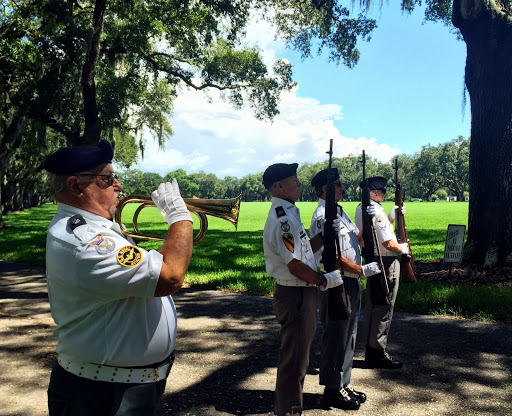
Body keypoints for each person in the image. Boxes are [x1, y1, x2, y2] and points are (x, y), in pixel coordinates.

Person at [43, 140, 194, 415]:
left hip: (118, 385)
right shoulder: (87, 240)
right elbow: (170, 276)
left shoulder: (95, 229)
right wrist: (180, 218)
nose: (118, 186)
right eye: (108, 178)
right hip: (101, 393)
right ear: (75, 185)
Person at [262, 163, 343, 416]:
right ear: (279, 186)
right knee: (295, 361)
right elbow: (295, 265)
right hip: (296, 293)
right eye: (294, 180)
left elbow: (304, 250)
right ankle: (288, 412)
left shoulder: (290, 212)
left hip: (300, 291)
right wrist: (323, 280)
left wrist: (327, 233)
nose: (299, 184)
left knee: (300, 358)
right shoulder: (283, 218)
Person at [309, 168, 381, 410]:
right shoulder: (322, 215)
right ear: (325, 190)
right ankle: (331, 389)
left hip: (350, 281)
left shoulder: (340, 212)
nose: (342, 188)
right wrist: (360, 270)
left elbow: (357, 241)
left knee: (349, 334)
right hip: (336, 282)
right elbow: (332, 255)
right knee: (336, 336)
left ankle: (343, 382)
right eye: (338, 185)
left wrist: (370, 220)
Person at [355, 176, 408, 369]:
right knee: (384, 306)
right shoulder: (376, 210)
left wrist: (392, 217)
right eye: (382, 192)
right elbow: (388, 243)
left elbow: (364, 237)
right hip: (386, 261)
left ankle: (371, 348)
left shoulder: (361, 208)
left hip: (373, 260)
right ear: (375, 193)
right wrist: (404, 249)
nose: (383, 195)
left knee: (373, 304)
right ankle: (377, 351)